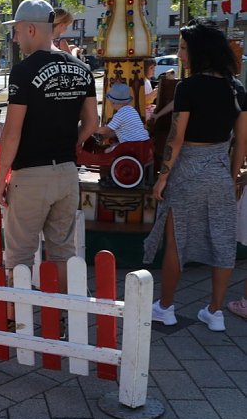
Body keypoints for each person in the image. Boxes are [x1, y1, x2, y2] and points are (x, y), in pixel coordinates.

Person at [143, 18, 247, 331]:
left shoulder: (188, 87)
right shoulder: (236, 88)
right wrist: (232, 178)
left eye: (184, 48)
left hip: (187, 171)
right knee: (223, 243)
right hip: (219, 171)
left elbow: (176, 138)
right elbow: (242, 142)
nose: (180, 54)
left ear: (200, 51)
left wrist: (163, 177)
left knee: (176, 243)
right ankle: (215, 312)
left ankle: (165, 307)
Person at [0, 0, 98, 291]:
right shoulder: (82, 68)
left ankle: (19, 314)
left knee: (20, 255)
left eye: (16, 31)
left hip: (31, 175)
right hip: (67, 173)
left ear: (31, 29)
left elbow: (12, 132)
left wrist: (1, 177)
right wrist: (72, 141)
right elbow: (92, 121)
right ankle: (67, 313)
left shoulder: (24, 70)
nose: (15, 39)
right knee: (63, 250)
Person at [95, 83, 150, 148]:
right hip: (145, 143)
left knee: (108, 151)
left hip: (132, 145)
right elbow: (119, 131)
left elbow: (106, 130)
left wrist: (93, 129)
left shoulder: (119, 115)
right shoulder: (132, 109)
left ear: (112, 102)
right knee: (114, 146)